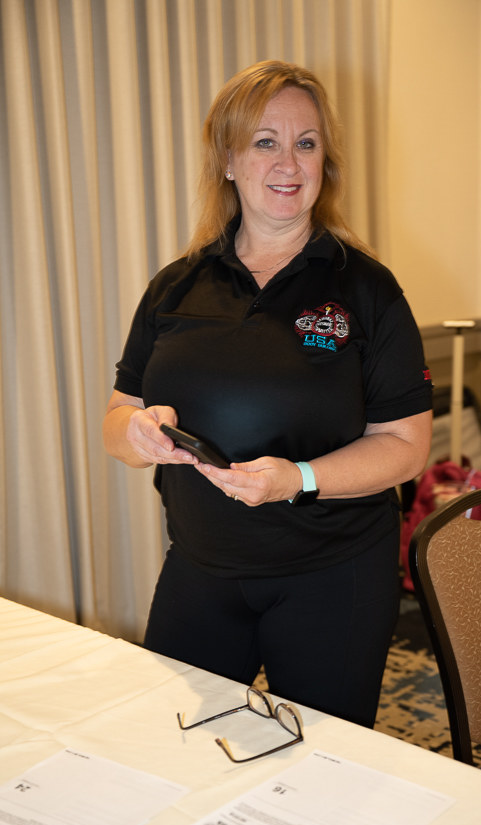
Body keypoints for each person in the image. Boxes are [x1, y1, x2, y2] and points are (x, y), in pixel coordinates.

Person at [103, 60, 433, 729]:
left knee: (323, 762)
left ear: (324, 163)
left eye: (306, 143)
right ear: (228, 161)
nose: (288, 162)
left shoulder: (367, 289)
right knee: (171, 746)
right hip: (201, 568)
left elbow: (406, 445)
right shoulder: (175, 286)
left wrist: (297, 479)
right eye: (265, 142)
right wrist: (136, 435)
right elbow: (118, 419)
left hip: (332, 576)